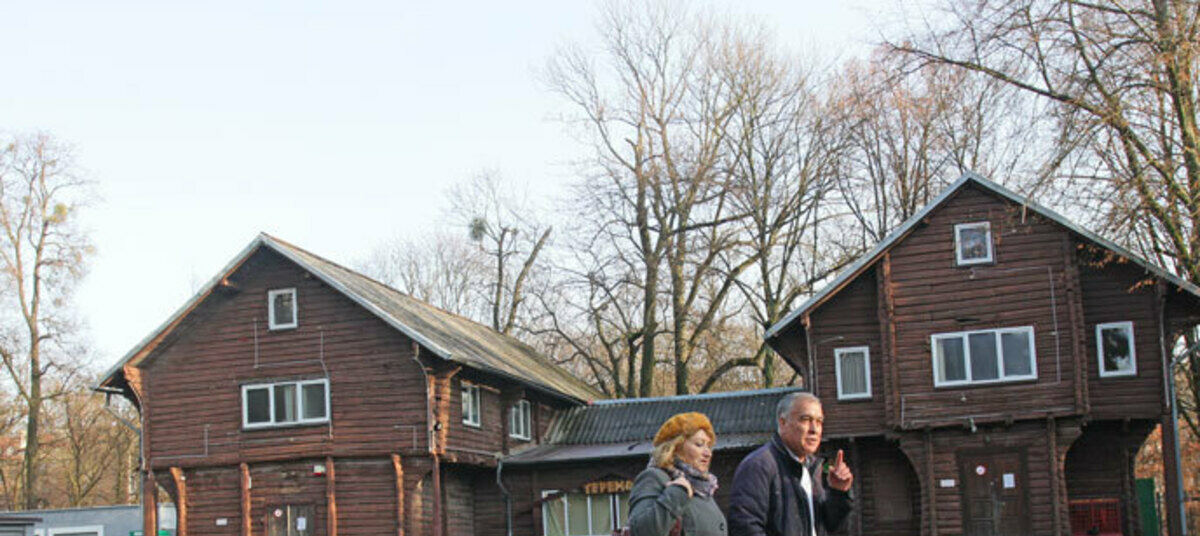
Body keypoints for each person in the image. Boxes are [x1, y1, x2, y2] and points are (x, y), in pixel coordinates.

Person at [727, 392, 853, 536]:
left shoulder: (811, 467)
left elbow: (830, 525)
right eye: (805, 420)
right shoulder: (758, 466)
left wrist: (838, 492)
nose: (814, 429)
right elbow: (745, 527)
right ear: (783, 422)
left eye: (819, 422)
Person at [628, 412, 727, 536]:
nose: (708, 453)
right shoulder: (654, 477)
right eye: (699, 444)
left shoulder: (704, 488)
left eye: (709, 446)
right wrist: (677, 492)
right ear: (675, 447)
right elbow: (641, 531)